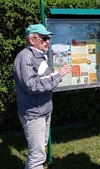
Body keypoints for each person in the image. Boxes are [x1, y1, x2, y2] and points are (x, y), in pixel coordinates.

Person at [13, 24, 72, 169]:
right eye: (44, 38)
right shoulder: (26, 57)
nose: (48, 41)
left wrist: (56, 75)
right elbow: (32, 85)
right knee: (37, 157)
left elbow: (43, 79)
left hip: (44, 111)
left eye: (49, 38)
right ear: (32, 40)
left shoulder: (39, 56)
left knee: (39, 149)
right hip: (34, 114)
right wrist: (58, 75)